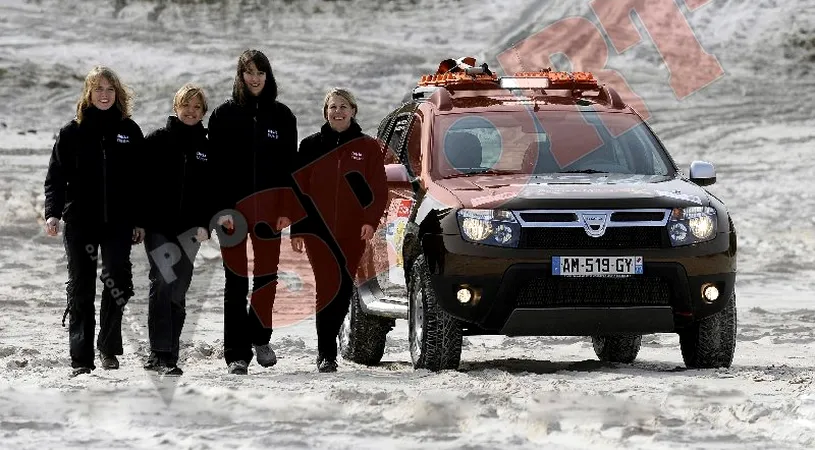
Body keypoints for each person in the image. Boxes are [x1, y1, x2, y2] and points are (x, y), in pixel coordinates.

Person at [43, 65, 145, 377]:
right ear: (89, 93)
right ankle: (81, 360)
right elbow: (55, 178)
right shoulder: (72, 132)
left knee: (118, 281)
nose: (104, 94)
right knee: (81, 289)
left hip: (118, 222)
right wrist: (52, 212)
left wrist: (139, 220)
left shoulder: (130, 131)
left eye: (110, 89)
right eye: (98, 89)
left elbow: (141, 182)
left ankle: (107, 346)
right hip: (80, 221)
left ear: (118, 94)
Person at [207, 49, 297, 375]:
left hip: (270, 212)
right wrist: (220, 210)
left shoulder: (283, 117)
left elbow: (291, 169)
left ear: (267, 75)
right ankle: (236, 354)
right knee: (235, 281)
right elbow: (213, 170)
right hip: (232, 214)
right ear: (240, 76)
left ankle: (260, 337)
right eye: (249, 72)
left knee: (266, 279)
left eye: (260, 72)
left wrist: (288, 209)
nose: (255, 78)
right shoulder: (222, 116)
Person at [291, 88, 388, 373]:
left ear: (353, 111)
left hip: (352, 232)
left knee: (343, 289)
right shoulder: (310, 146)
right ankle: (326, 354)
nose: (338, 112)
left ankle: (329, 342)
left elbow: (378, 190)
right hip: (317, 233)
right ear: (325, 112)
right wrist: (297, 230)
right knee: (326, 287)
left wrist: (370, 220)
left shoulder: (367, 147)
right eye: (333, 107)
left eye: (343, 106)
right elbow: (298, 192)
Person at [141, 83, 213, 376]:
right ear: (176, 107)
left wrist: (207, 225)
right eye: (186, 105)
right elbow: (139, 185)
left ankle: (170, 352)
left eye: (197, 107)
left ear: (203, 112)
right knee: (162, 282)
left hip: (191, 232)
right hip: (158, 227)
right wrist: (139, 223)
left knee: (178, 289)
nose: (191, 111)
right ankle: (159, 353)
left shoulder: (208, 147)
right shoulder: (157, 140)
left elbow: (212, 191)